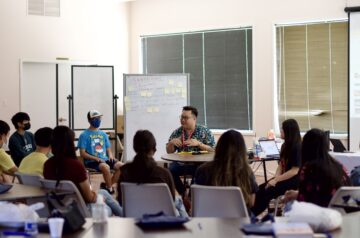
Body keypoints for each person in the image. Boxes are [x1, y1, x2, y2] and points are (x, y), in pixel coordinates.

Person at [44, 125, 122, 216]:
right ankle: (127, 216)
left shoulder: (47, 164)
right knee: (107, 208)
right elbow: (89, 198)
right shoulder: (76, 166)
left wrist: (97, 196)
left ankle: (124, 214)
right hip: (80, 211)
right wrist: (98, 199)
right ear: (70, 144)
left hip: (58, 207)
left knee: (104, 192)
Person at [117, 130, 188, 217]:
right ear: (154, 149)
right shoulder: (164, 173)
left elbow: (121, 201)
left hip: (134, 218)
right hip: (161, 219)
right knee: (178, 202)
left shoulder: (125, 172)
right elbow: (171, 201)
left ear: (135, 148)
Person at [284, 128, 351, 207]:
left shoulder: (309, 169)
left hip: (321, 213)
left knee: (288, 206)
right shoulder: (339, 166)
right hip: (343, 213)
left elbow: (304, 200)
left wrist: (296, 196)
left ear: (305, 146)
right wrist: (297, 194)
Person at [195, 129, 258, 209]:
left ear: (219, 147)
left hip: (208, 217)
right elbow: (251, 202)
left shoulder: (202, 170)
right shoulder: (246, 172)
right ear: (242, 150)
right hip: (239, 219)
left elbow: (196, 198)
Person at [251, 119, 301, 216]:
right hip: (284, 178)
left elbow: (294, 171)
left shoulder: (297, 147)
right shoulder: (284, 146)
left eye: (282, 129)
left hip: (294, 180)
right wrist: (275, 179)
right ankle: (250, 211)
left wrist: (276, 180)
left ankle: (253, 215)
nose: (281, 131)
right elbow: (280, 166)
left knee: (268, 192)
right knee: (260, 189)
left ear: (288, 131)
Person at [166, 106, 215, 195]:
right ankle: (183, 193)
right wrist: (171, 144)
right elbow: (169, 151)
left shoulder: (204, 131)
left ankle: (191, 197)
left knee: (201, 171)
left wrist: (199, 144)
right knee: (170, 170)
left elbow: (213, 150)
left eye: (185, 118)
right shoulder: (177, 132)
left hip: (199, 164)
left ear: (194, 119)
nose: (182, 120)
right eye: (181, 117)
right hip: (181, 164)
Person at [78, 110, 122, 194]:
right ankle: (109, 189)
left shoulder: (103, 134)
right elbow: (82, 153)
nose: (98, 120)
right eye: (95, 118)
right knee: (105, 167)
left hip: (105, 159)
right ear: (89, 120)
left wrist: (110, 155)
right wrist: (96, 158)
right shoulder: (84, 135)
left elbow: (108, 148)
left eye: (99, 118)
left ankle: (107, 185)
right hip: (92, 161)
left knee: (122, 166)